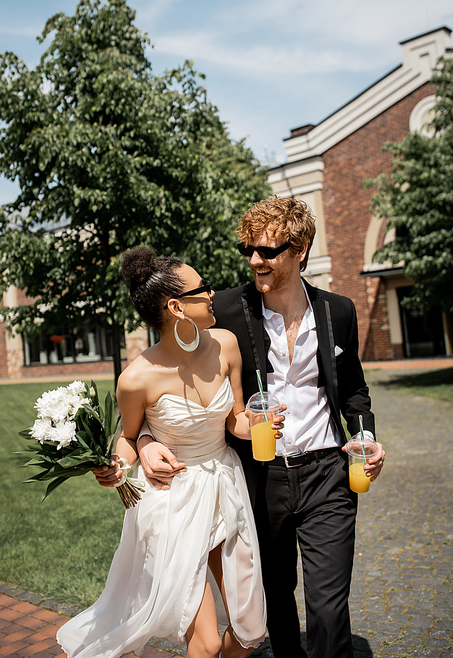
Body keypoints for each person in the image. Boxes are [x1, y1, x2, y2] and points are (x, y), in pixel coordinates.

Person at [138, 197, 385, 658]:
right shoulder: (225, 311)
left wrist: (365, 438)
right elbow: (159, 375)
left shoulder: (340, 312)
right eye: (248, 249)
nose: (255, 260)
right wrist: (146, 439)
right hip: (260, 479)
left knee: (329, 610)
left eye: (268, 251)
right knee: (275, 598)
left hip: (329, 474)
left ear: (301, 248)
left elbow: (353, 391)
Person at [57, 246, 284, 658]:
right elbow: (128, 437)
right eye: (205, 288)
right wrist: (115, 466)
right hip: (174, 499)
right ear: (177, 307)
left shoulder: (225, 345)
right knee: (206, 641)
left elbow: (234, 419)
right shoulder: (136, 378)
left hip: (226, 485)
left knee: (250, 631)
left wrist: (259, 426)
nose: (213, 294)